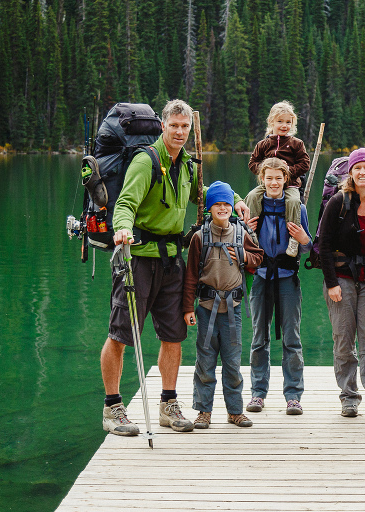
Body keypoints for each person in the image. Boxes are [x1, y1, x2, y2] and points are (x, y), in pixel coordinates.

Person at [101, 99, 249, 437]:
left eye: (185, 127)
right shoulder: (145, 160)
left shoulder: (188, 165)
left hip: (171, 261)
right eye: (174, 126)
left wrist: (235, 198)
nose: (180, 132)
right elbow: (125, 202)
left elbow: (205, 192)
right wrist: (122, 228)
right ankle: (112, 407)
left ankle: (168, 405)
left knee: (173, 334)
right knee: (122, 334)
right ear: (163, 126)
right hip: (138, 257)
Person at [318, 148, 365, 419]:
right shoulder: (338, 202)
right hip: (342, 278)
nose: (363, 172)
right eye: (357, 168)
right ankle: (349, 396)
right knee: (344, 337)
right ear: (350, 172)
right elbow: (323, 245)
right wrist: (331, 283)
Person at [183, 181, 264, 429]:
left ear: (231, 207)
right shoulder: (199, 237)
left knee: (232, 362)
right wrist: (187, 308)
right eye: (217, 204)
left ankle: (235, 411)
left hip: (233, 309)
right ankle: (203, 411)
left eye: (226, 204)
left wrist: (242, 255)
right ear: (209, 208)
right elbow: (190, 276)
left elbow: (258, 258)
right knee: (205, 362)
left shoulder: (241, 234)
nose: (222, 208)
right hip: (206, 308)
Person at [244, 158, 312, 415]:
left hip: (287, 278)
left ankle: (293, 395)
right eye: (269, 178)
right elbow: (242, 247)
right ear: (262, 179)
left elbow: (307, 248)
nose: (274, 183)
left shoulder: (297, 208)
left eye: (278, 178)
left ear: (286, 179)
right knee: (259, 338)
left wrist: (304, 238)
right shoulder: (253, 208)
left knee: (292, 338)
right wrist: (244, 230)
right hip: (261, 277)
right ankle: (258, 393)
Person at [247, 101, 311, 258]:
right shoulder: (263, 144)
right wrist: (265, 169)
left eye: (288, 122)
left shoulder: (296, 144)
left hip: (290, 186)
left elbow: (305, 163)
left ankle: (293, 240)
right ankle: (251, 232)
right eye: (280, 121)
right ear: (271, 122)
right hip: (268, 185)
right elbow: (252, 164)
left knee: (295, 202)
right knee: (252, 196)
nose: (284, 125)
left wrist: (289, 171)